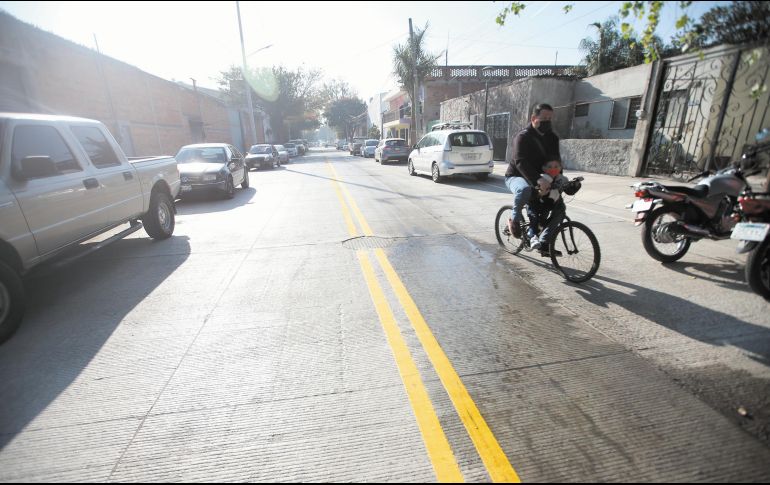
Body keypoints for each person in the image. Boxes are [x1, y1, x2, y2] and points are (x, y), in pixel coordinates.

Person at [504, 103, 562, 255]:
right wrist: (538, 180)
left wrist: (561, 179)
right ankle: (515, 219)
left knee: (559, 208)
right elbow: (520, 162)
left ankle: (544, 243)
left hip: (541, 177)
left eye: (550, 118)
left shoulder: (553, 138)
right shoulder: (522, 137)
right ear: (533, 118)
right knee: (525, 190)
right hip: (517, 176)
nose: (547, 122)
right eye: (544, 118)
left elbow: (555, 161)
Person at [526, 159, 581, 250]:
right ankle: (532, 238)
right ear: (544, 168)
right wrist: (541, 189)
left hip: (549, 205)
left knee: (551, 218)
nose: (553, 169)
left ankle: (543, 242)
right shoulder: (541, 178)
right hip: (535, 204)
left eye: (556, 167)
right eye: (550, 167)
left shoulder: (562, 179)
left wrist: (575, 185)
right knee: (534, 220)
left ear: (560, 167)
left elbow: (569, 191)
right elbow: (533, 192)